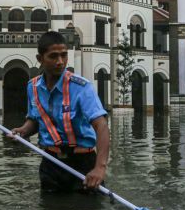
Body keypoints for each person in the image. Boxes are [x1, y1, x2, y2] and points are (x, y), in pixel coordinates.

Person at [8, 31, 110, 192]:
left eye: (64, 55)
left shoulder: (82, 87)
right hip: (51, 161)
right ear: (40, 59)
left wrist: (100, 168)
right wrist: (23, 131)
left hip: (83, 162)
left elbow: (101, 126)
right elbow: (35, 120)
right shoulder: (33, 87)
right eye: (53, 56)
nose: (60, 62)